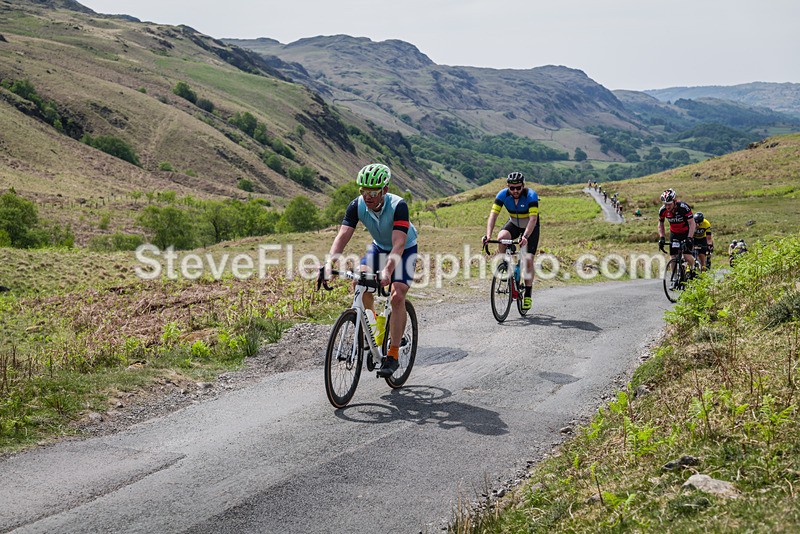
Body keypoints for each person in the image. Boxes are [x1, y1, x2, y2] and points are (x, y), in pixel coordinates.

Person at [321, 163, 418, 378]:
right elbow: (343, 236)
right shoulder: (357, 205)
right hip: (378, 248)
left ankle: (392, 353)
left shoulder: (398, 205)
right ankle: (373, 326)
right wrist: (329, 264)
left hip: (404, 249)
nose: (368, 196)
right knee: (359, 280)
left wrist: (387, 271)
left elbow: (399, 244)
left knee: (397, 295)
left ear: (384, 190)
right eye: (364, 191)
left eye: (373, 192)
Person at [482, 171, 540, 311]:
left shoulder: (531, 195)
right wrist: (488, 235)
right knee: (502, 238)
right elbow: (493, 216)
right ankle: (505, 265)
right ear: (508, 186)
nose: (515, 191)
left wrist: (525, 236)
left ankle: (527, 294)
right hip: (514, 223)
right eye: (512, 188)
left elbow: (533, 219)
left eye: (518, 188)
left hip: (530, 227)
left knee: (528, 260)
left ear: (523, 186)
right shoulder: (502, 195)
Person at [657, 188, 697, 277]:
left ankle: (694, 268)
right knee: (673, 257)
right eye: (665, 204)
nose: (667, 207)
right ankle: (674, 277)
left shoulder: (683, 207)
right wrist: (662, 238)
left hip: (686, 233)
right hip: (674, 233)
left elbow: (692, 223)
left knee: (686, 256)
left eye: (669, 204)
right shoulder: (662, 210)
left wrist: (690, 238)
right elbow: (661, 224)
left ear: (674, 201)